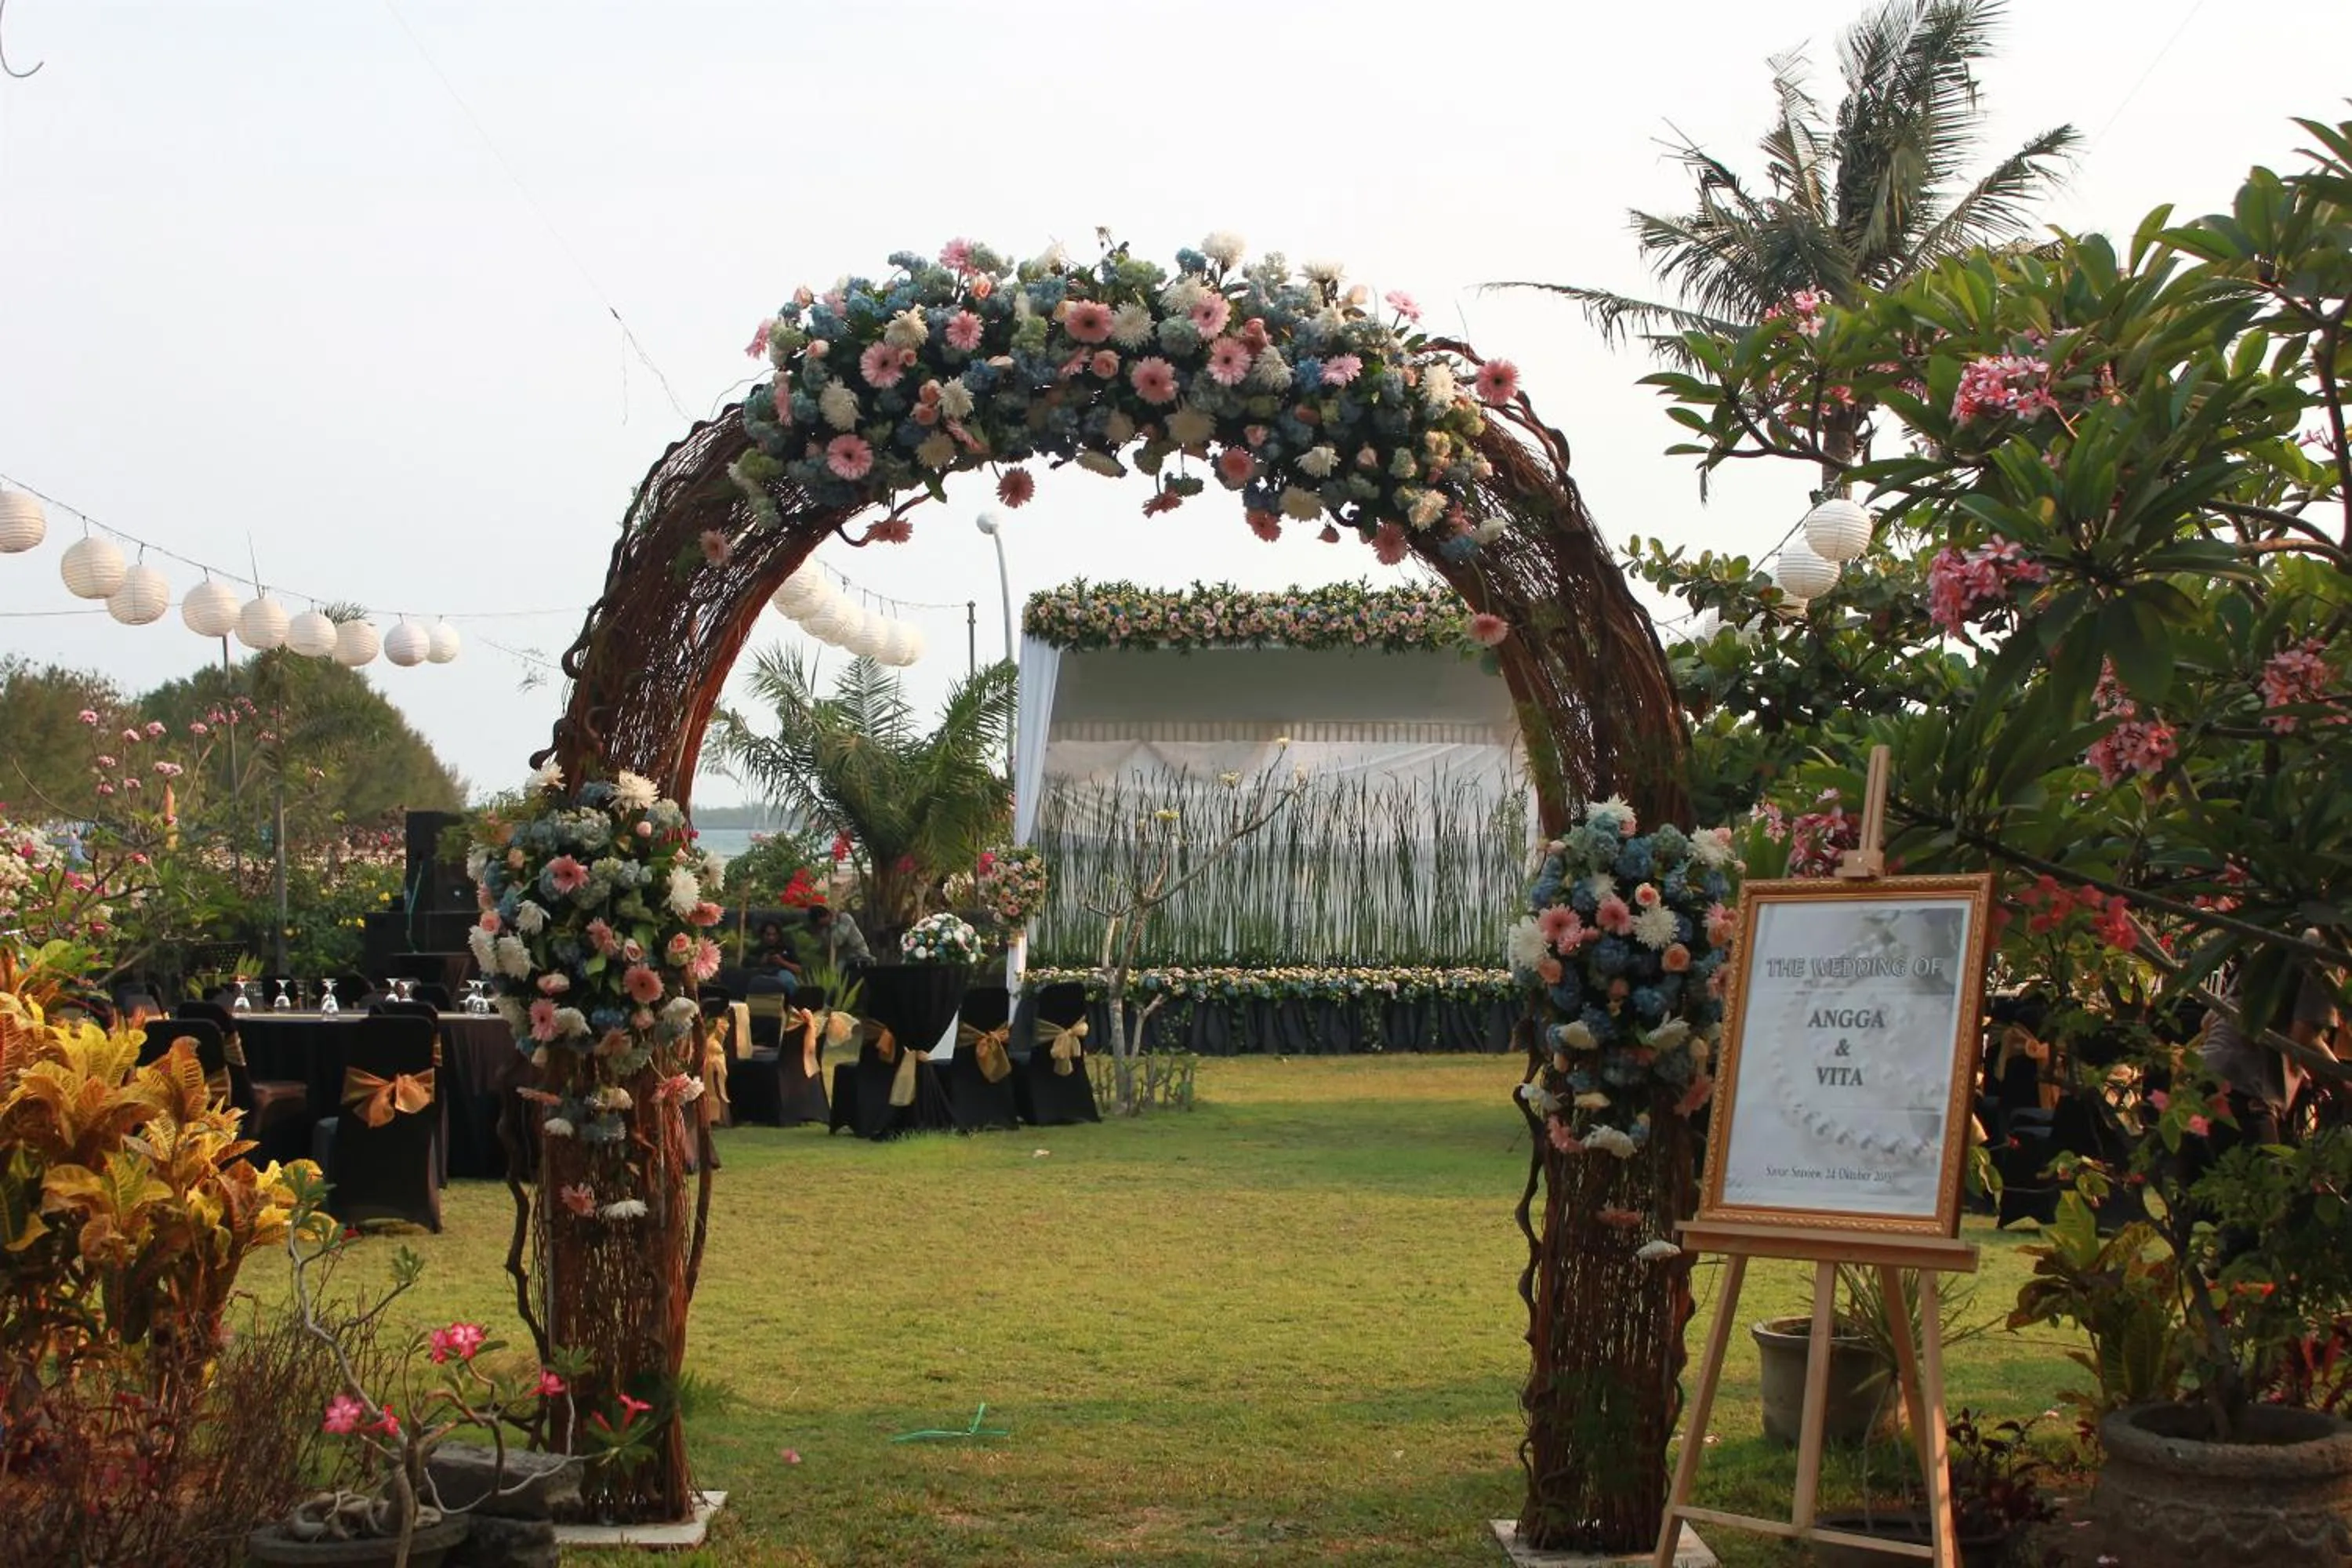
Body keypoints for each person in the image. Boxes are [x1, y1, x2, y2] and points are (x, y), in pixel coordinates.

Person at [2201, 947, 2343, 1148]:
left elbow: (2208, 1021)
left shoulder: (2278, 941)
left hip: (2202, 1077)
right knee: (2264, 1176)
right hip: (2246, 1092)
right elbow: (2303, 1040)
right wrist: (2344, 1087)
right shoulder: (2326, 952)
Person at [807, 902, 871, 968]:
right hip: (841, 959)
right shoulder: (824, 929)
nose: (822, 927)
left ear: (827, 915)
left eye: (822, 924)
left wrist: (833, 923)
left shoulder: (845, 919)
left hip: (858, 956)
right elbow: (826, 946)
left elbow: (838, 941)